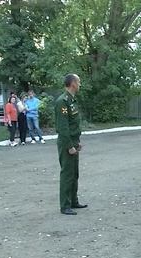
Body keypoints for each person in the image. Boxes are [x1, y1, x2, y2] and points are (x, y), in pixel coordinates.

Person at [55, 74, 87, 215]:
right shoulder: (62, 101)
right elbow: (63, 127)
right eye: (78, 82)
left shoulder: (72, 100)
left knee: (74, 174)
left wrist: (77, 143)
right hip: (66, 143)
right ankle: (65, 205)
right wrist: (69, 146)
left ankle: (73, 200)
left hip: (73, 141)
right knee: (67, 174)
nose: (80, 84)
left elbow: (74, 124)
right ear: (73, 83)